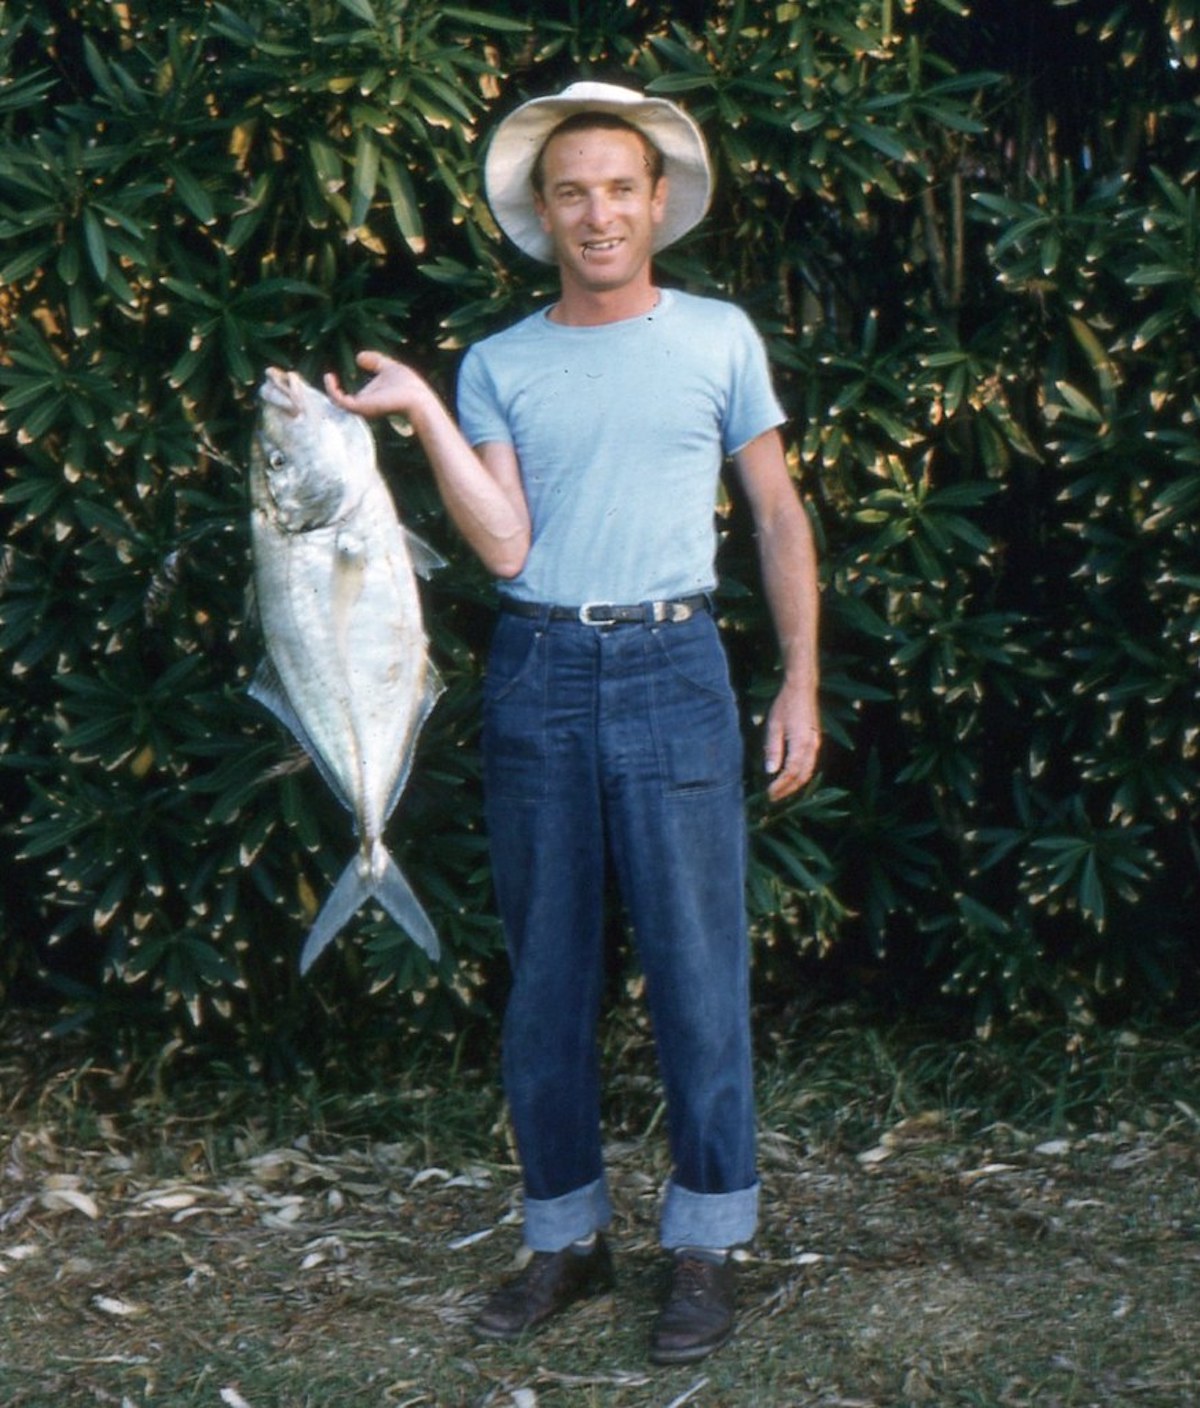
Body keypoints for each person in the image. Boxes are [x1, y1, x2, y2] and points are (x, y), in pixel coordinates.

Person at [326, 79, 820, 1365]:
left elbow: (775, 518)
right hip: (542, 675)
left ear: (658, 203)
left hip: (677, 670)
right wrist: (427, 409)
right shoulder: (499, 364)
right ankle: (566, 1237)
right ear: (541, 216)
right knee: (547, 976)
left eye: (619, 188)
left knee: (700, 973)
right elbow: (505, 545)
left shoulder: (719, 338)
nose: (597, 212)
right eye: (571, 192)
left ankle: (706, 1244)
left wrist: (799, 679)